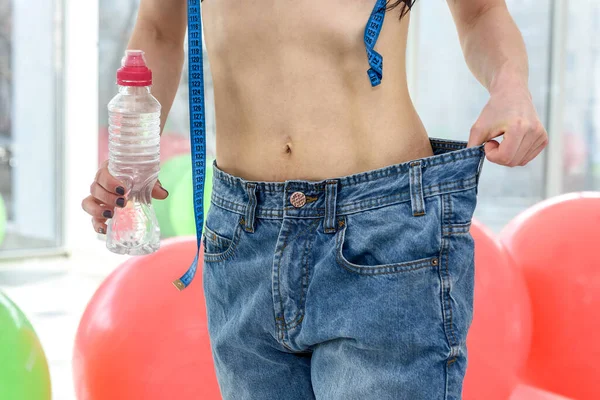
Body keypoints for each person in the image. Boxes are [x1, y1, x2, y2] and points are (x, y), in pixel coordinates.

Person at [82, 1, 548, 399]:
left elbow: (482, 10)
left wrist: (511, 86)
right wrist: (133, 156)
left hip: (382, 231)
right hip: (243, 238)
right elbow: (159, 32)